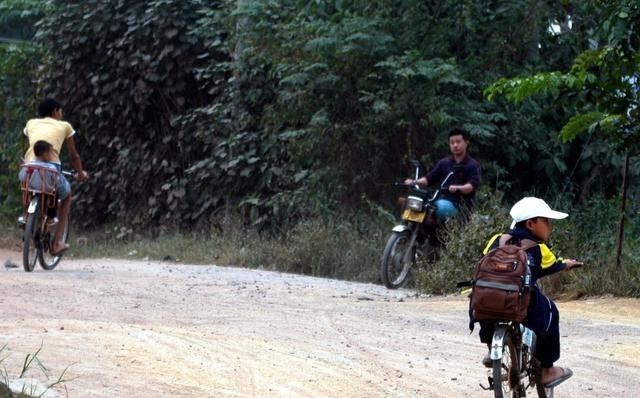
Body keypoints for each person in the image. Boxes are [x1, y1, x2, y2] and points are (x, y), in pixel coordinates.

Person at [475, 197, 583, 389]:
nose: (549, 226)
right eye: (546, 221)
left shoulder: (497, 239)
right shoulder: (538, 248)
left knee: (486, 299)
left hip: (486, 301)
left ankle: (492, 349)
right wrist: (567, 264)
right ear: (530, 223)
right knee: (551, 311)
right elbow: (554, 265)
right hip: (520, 303)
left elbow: (484, 261)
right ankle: (547, 370)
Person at [22, 98, 88, 255]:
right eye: (61, 111)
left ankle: (26, 215)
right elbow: (74, 156)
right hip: (52, 168)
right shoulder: (65, 126)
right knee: (66, 196)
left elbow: (31, 145)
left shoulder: (31, 123)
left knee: (28, 189)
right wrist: (80, 174)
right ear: (55, 111)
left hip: (30, 166)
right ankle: (57, 242)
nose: (61, 114)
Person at [404, 127, 481, 219]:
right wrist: (414, 182)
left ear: (466, 142)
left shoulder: (472, 164)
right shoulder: (444, 163)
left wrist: (457, 188)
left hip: (460, 206)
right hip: (440, 200)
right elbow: (429, 179)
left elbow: (471, 186)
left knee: (441, 207)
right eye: (452, 142)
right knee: (415, 204)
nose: (455, 145)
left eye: (458, 142)